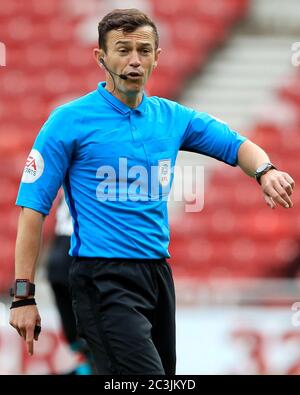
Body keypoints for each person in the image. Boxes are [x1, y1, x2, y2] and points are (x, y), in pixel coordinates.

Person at [9, 9, 295, 375]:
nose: (134, 60)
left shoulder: (172, 117)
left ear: (157, 57)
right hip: (102, 278)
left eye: (144, 50)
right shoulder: (68, 121)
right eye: (122, 49)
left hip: (157, 276)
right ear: (100, 57)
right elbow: (33, 208)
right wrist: (23, 296)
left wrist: (265, 171)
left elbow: (236, 144)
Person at [45, 194, 94, 375]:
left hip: (56, 260)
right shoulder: (93, 179)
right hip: (78, 252)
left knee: (75, 336)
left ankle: (83, 368)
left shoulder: (67, 184)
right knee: (96, 335)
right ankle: (87, 369)